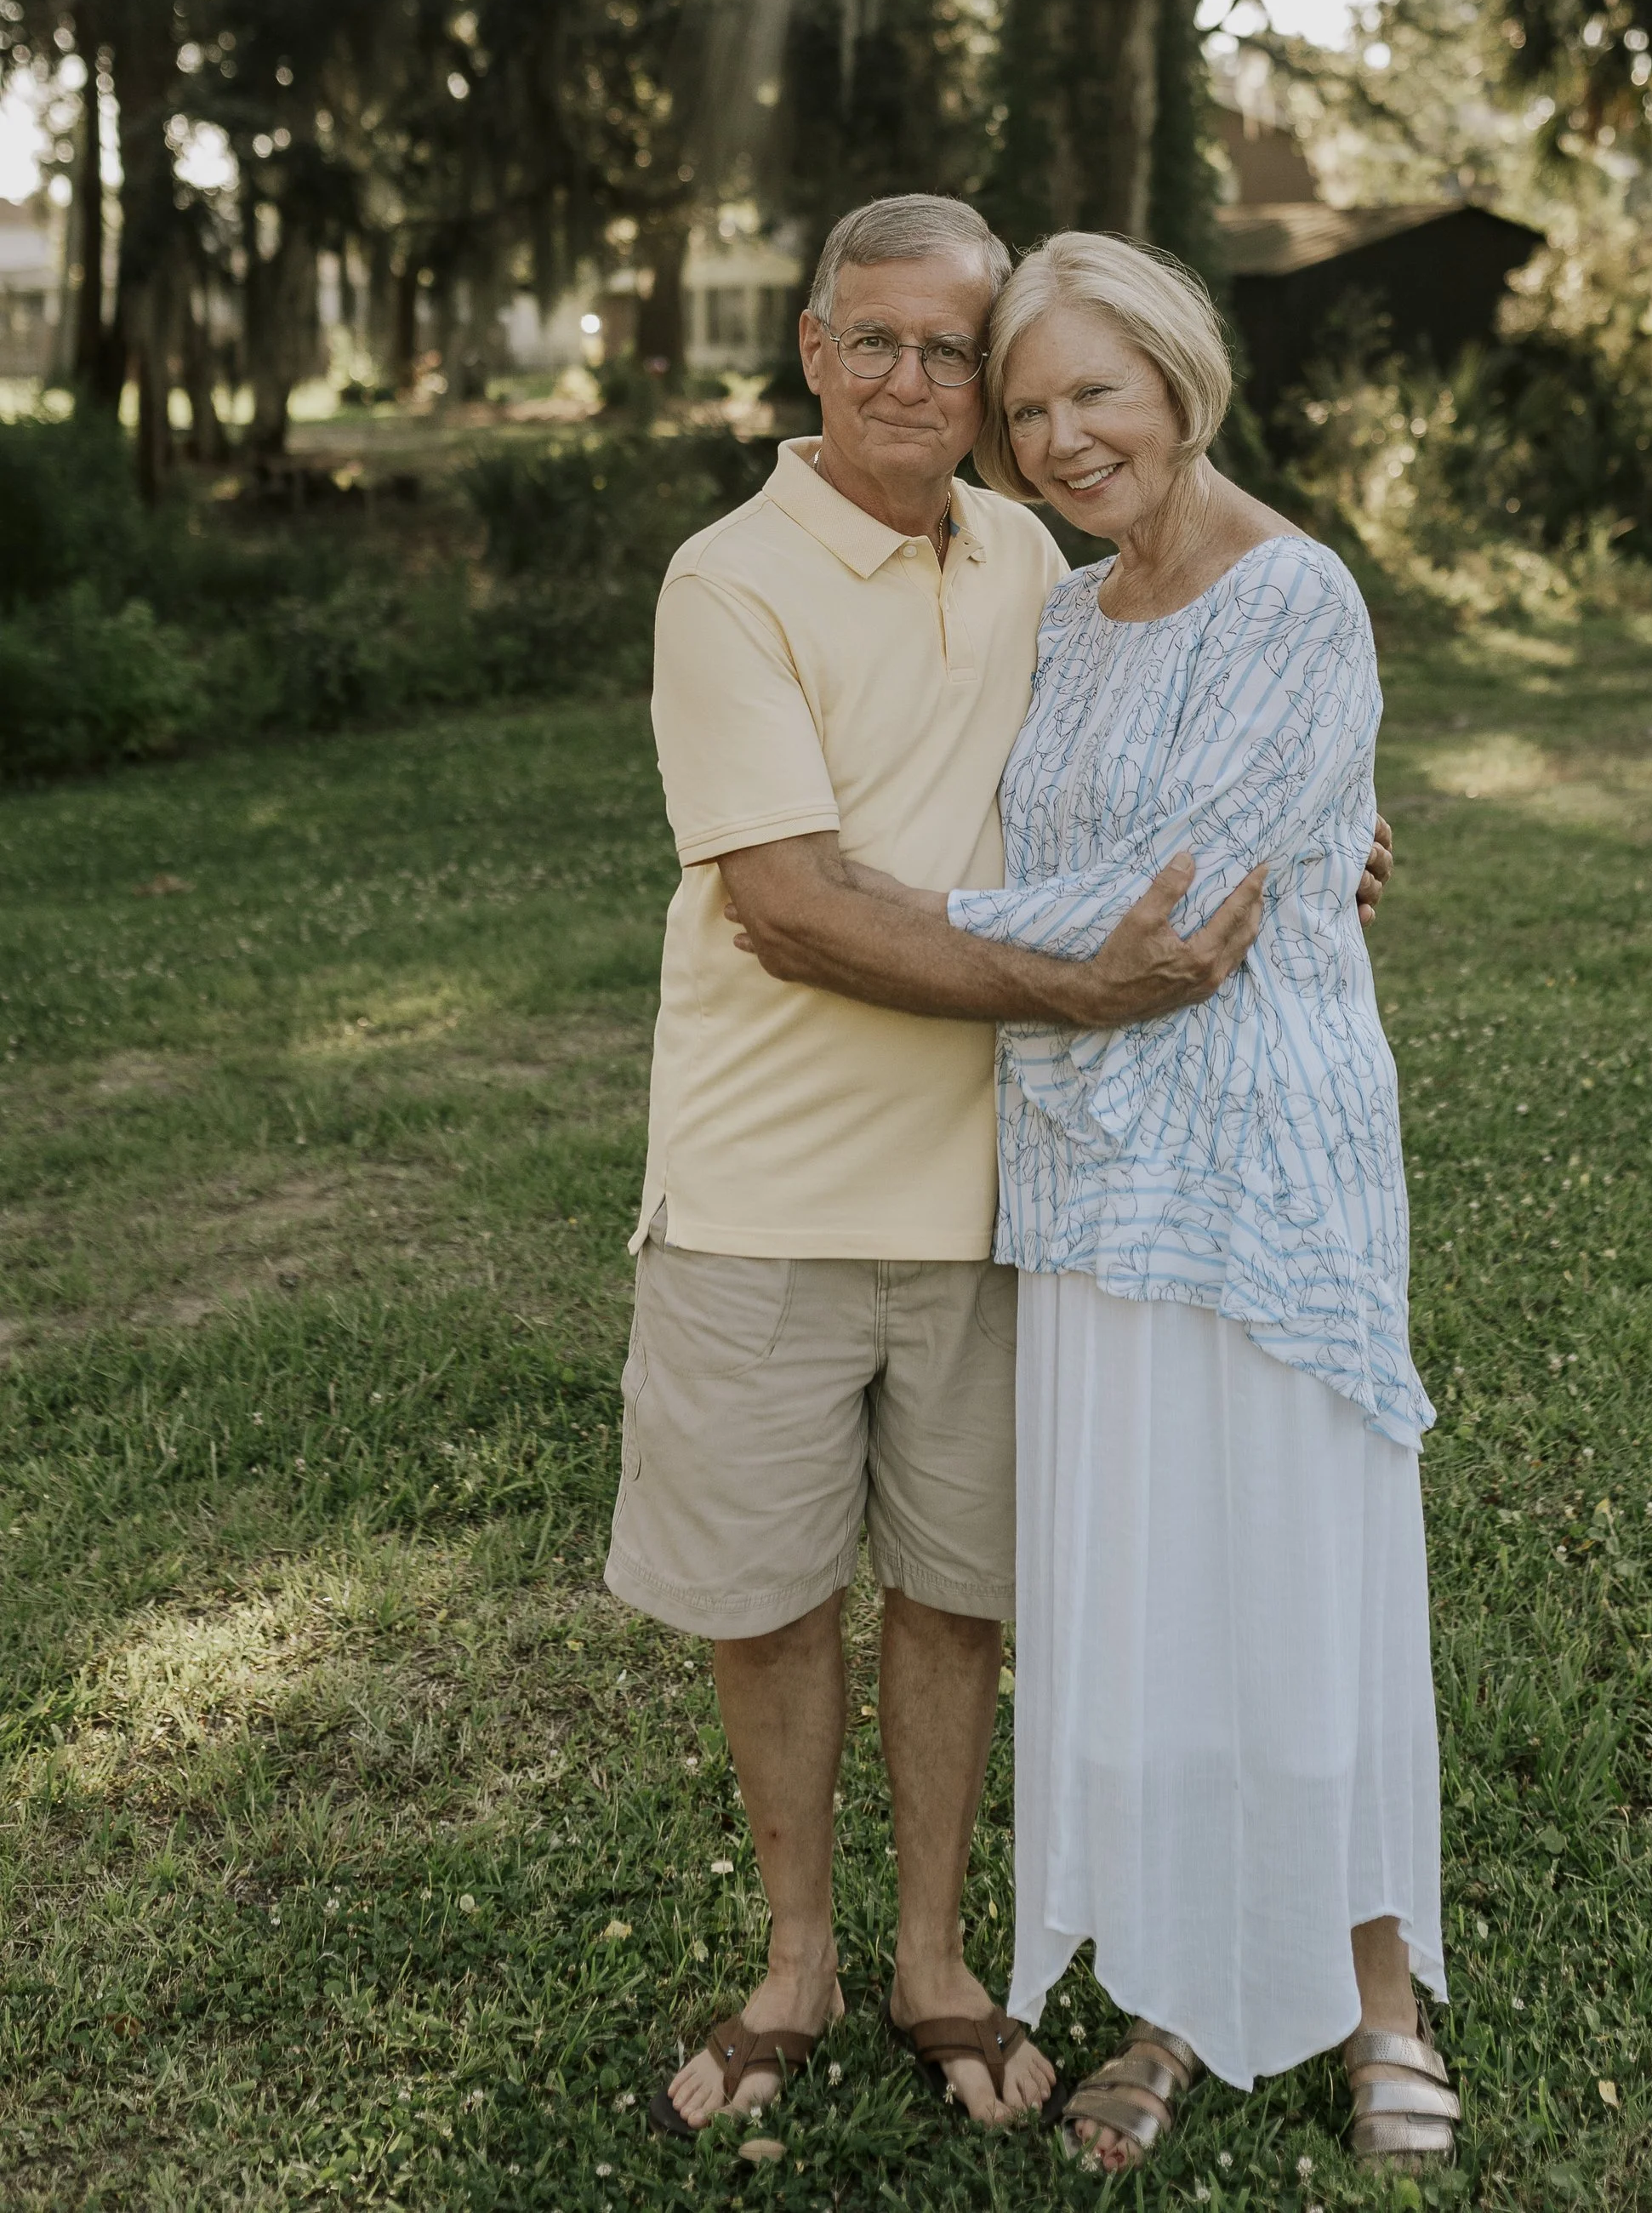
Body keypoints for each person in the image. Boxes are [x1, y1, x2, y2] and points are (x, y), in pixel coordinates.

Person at [604, 194, 1350, 2142]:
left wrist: (1326, 817)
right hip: (762, 1185)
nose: (921, 384)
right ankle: (795, 1960)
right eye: (883, 342)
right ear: (811, 347)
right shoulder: (727, 581)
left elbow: (1190, 704)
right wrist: (1084, 983)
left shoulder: (1027, 547)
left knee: (954, 1596)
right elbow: (787, 905)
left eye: (963, 355)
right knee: (766, 1601)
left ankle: (932, 1959)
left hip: (995, 1194)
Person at [886, 230, 1458, 2178]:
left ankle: (1381, 1994)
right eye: (1025, 408)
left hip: (1268, 1178)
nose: (1056, 438)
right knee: (1141, 1607)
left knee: (1304, 1580)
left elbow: (1179, 900)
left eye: (1090, 396)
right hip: (1089, 1177)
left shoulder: (1296, 598)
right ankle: (1173, 2000)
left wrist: (859, 929)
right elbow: (1079, 850)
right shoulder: (1063, 612)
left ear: (1179, 383)